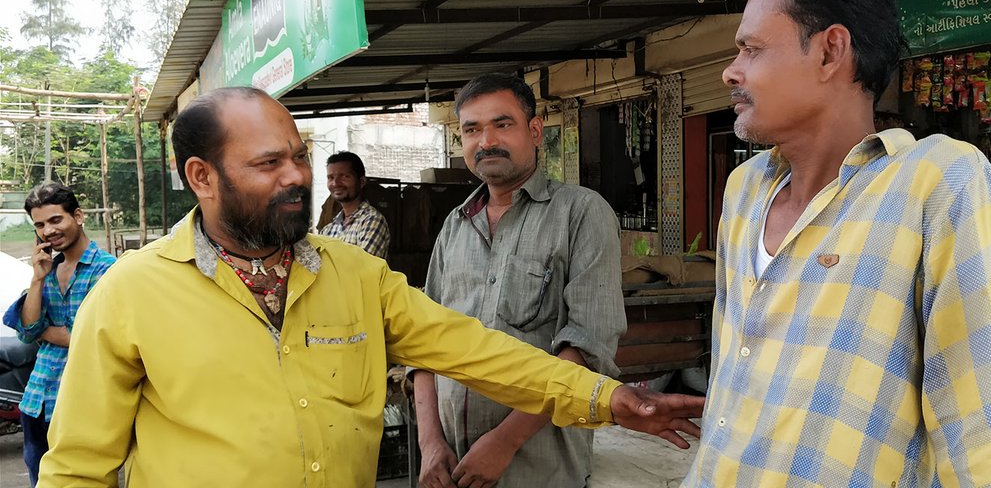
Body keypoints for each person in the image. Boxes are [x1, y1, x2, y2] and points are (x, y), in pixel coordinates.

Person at [36, 87, 703, 487]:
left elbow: (475, 352)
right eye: (269, 163)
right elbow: (77, 465)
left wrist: (607, 399)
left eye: (298, 155)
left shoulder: (354, 273)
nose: (297, 176)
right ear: (202, 177)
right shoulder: (132, 293)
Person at [683, 0, 991, 487]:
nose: (730, 72)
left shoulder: (939, 184)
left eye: (751, 50)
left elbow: (979, 423)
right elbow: (731, 373)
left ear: (829, 51)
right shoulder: (745, 189)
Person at [413, 73, 626, 488]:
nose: (486, 140)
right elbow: (422, 343)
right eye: (472, 129)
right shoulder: (455, 226)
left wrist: (504, 443)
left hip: (539, 469)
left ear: (534, 130)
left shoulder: (581, 213)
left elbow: (588, 348)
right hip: (449, 466)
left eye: (502, 124)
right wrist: (430, 443)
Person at [2, 182, 116, 486]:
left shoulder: (108, 271)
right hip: (37, 400)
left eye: (55, 220)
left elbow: (95, 337)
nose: (48, 230)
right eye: (39, 224)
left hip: (82, 402)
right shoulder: (47, 270)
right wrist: (37, 278)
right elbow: (27, 332)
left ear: (77, 216)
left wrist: (45, 332)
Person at [319, 151, 391, 259]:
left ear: (361, 182)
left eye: (344, 176)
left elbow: (361, 270)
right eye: (330, 178)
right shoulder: (328, 229)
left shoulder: (372, 221)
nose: (335, 183)